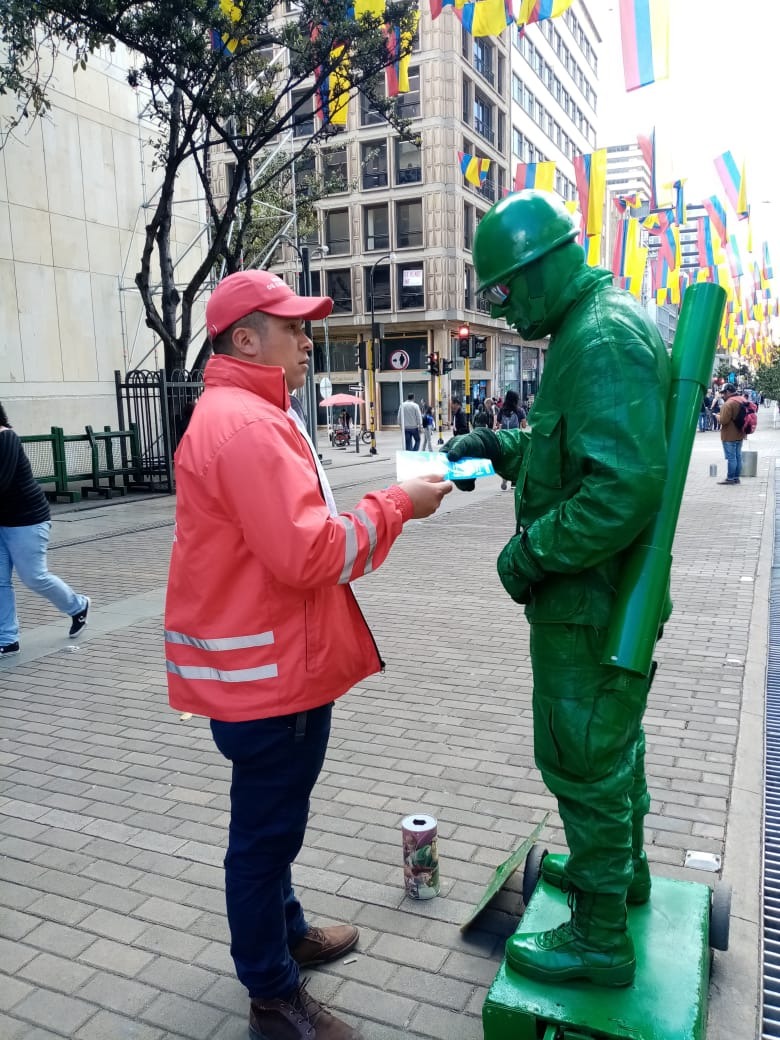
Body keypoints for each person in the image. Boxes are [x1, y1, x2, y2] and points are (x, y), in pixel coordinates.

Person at [164, 270, 451, 1040]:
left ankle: (284, 936)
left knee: (272, 827)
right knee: (262, 842)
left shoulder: (244, 413)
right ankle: (272, 994)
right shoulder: (249, 425)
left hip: (260, 671)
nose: (306, 339)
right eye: (291, 327)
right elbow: (311, 552)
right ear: (246, 339)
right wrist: (397, 505)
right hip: (272, 681)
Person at [445, 190, 671, 988]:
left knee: (581, 759)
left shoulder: (600, 338)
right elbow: (567, 450)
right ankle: (623, 874)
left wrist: (527, 556)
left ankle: (601, 939)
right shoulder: (588, 329)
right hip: (600, 601)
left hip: (589, 603)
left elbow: (621, 489)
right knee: (612, 752)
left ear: (540, 269)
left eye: (504, 290)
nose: (505, 306)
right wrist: (496, 448)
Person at [0, 402, 90, 658]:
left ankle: (78, 605)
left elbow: (2, 482)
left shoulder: (6, 438)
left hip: (27, 519)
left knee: (33, 576)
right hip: (2, 520)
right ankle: (7, 639)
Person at [718, 384, 746, 484]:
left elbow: (723, 420)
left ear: (728, 392)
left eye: (723, 393)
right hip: (740, 434)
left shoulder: (728, 403)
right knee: (738, 456)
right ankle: (736, 478)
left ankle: (730, 478)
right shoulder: (742, 400)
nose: (722, 395)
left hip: (729, 435)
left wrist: (717, 417)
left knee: (732, 458)